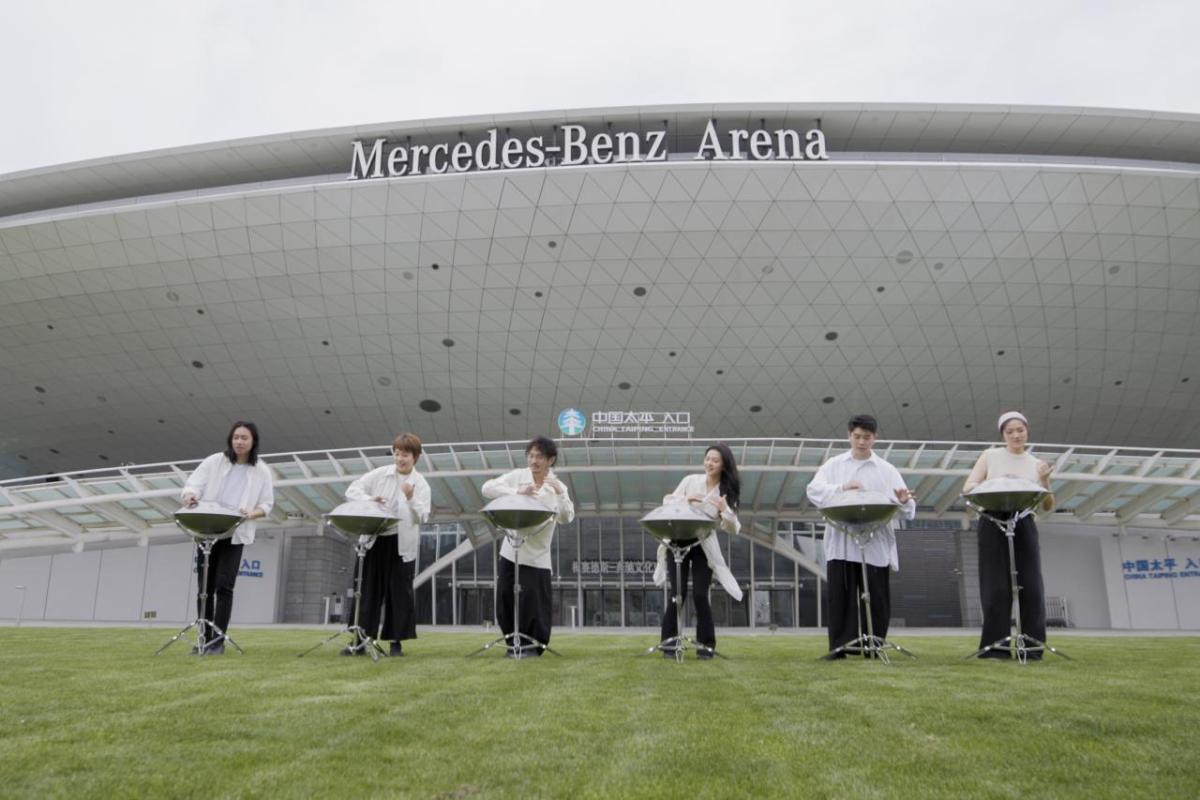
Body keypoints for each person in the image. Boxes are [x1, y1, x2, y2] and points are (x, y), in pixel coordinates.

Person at [806, 414, 915, 659]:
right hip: (842, 540)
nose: (861, 442)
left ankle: (874, 646)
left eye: (867, 437)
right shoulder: (834, 465)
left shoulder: (886, 470)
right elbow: (813, 490)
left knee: (876, 598)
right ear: (849, 436)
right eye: (857, 437)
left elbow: (906, 506)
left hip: (874, 541)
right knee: (840, 598)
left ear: (874, 438)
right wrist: (842, 488)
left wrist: (903, 501)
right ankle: (840, 647)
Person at [963, 410, 1055, 660]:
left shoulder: (1036, 463)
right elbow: (969, 488)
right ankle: (996, 648)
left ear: (1027, 431)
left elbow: (1047, 505)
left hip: (1023, 520)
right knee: (996, 587)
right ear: (1003, 434)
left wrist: (1045, 480)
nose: (1016, 435)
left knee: (1032, 587)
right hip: (993, 518)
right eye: (1010, 431)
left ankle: (1032, 647)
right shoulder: (990, 456)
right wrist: (999, 485)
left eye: (1020, 430)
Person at [180, 421, 275, 655]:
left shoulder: (261, 470)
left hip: (235, 534)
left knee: (224, 587)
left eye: (245, 438)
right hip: (208, 531)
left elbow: (267, 504)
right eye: (236, 437)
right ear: (230, 440)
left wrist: (253, 512)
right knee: (204, 587)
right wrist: (191, 495)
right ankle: (203, 636)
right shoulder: (214, 461)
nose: (240, 442)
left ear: (253, 442)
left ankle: (217, 641)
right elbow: (194, 484)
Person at [481, 436, 574, 657]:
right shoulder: (517, 477)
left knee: (534, 601)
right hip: (511, 549)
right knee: (506, 596)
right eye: (531, 455)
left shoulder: (558, 486)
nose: (534, 461)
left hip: (538, 554)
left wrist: (560, 495)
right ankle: (512, 641)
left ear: (550, 460)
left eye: (539, 456)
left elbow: (567, 517)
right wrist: (516, 493)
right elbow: (487, 488)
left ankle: (534, 646)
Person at [343, 432, 431, 657]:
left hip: (401, 545)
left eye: (406, 455)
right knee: (368, 590)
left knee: (399, 594)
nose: (400, 459)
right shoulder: (379, 475)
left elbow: (423, 516)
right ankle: (361, 639)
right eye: (397, 453)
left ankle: (396, 642)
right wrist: (369, 500)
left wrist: (410, 498)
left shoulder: (420, 484)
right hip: (374, 539)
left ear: (416, 458)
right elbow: (352, 490)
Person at [653, 443, 745, 660]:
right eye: (707, 459)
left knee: (701, 595)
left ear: (724, 465)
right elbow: (667, 501)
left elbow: (733, 528)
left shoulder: (726, 491)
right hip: (678, 541)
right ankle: (669, 645)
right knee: (678, 595)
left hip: (702, 544)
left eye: (715, 460)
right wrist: (687, 499)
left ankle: (706, 647)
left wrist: (725, 511)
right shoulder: (690, 481)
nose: (709, 463)